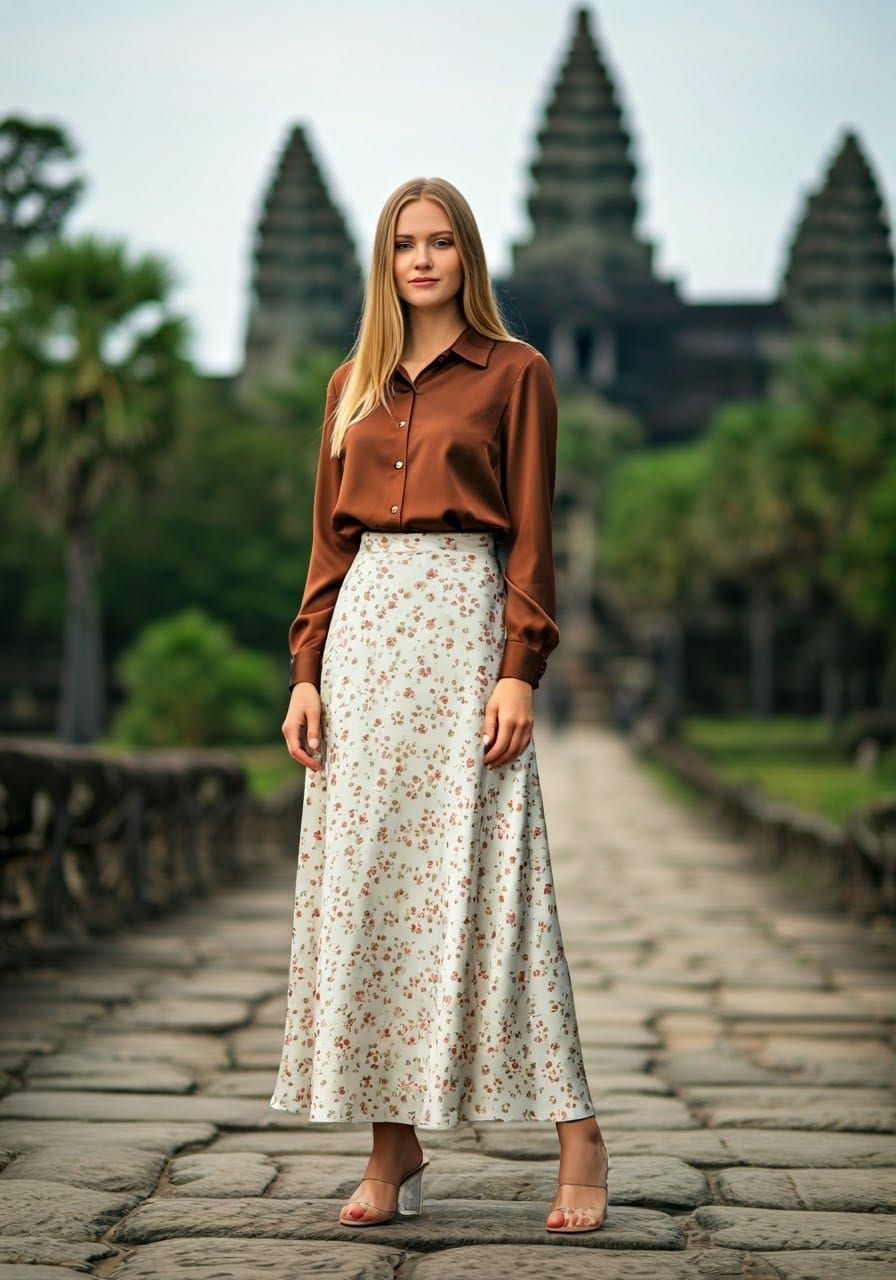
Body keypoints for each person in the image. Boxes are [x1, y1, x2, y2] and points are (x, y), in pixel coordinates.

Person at [270, 176, 610, 1234]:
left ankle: (577, 1130)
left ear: (467, 255)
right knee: (368, 890)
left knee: (500, 882)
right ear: (384, 261)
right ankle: (391, 1144)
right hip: (366, 636)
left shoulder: (516, 373)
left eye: (440, 242)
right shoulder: (350, 384)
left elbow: (532, 536)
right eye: (403, 244)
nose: (421, 260)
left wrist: (519, 664)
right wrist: (305, 668)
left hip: (463, 628)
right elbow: (329, 541)